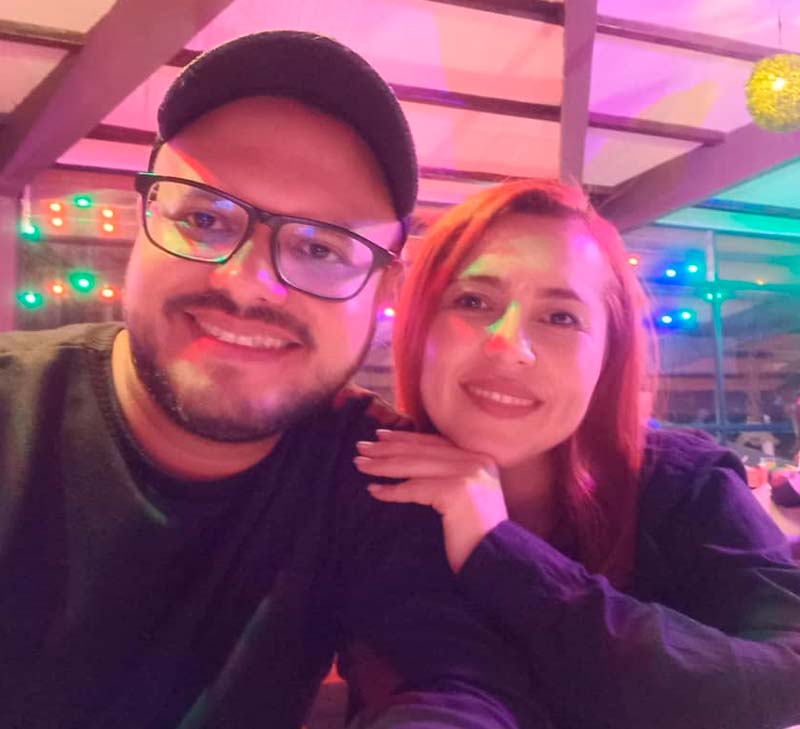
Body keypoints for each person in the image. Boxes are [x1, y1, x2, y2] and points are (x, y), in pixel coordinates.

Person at [0, 32, 543, 729]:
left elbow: (455, 681)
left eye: (320, 247)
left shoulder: (376, 472)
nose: (247, 283)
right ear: (144, 221)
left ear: (384, 286)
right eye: (204, 218)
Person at [355, 179, 800, 729]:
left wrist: (502, 553)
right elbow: (445, 689)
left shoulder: (685, 485)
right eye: (472, 300)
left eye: (560, 317)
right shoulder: (375, 492)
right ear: (421, 327)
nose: (508, 346)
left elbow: (787, 675)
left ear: (607, 356)